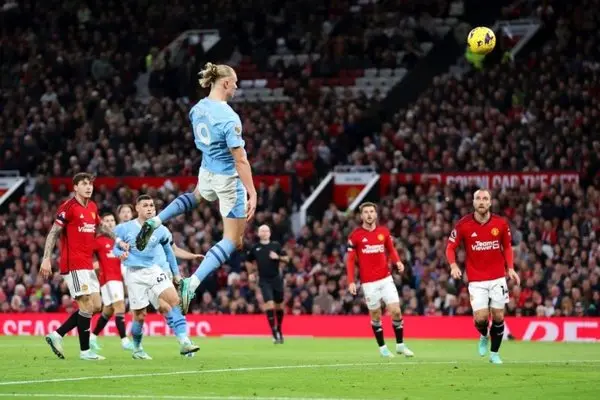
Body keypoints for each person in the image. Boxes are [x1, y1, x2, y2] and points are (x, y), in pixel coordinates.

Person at [135, 62, 257, 314]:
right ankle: (191, 283)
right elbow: (240, 160)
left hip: (206, 169)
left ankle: (156, 221)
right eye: (234, 83)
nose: (236, 87)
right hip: (227, 178)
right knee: (232, 240)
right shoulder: (229, 118)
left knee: (196, 196)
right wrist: (252, 192)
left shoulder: (197, 109)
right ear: (225, 83)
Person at [42, 173, 120, 360]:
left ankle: (57, 334)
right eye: (84, 184)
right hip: (73, 263)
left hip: (87, 264)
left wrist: (118, 240)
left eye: (90, 184)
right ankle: (85, 351)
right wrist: (46, 258)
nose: (89, 187)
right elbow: (53, 232)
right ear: (75, 187)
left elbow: (100, 227)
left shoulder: (92, 206)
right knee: (85, 304)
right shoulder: (68, 207)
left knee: (96, 306)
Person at [112, 195, 196, 359]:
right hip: (134, 274)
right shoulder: (125, 228)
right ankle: (137, 348)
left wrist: (176, 274)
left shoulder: (161, 229)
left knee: (175, 301)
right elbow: (114, 247)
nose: (150, 208)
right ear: (137, 208)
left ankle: (184, 341)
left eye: (152, 205)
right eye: (145, 205)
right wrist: (120, 253)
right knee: (140, 316)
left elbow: (169, 252)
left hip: (154, 270)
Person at [445, 189, 520, 364]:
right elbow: (450, 247)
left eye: (485, 198)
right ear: (473, 202)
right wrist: (453, 265)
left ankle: (494, 354)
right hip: (476, 279)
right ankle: (484, 335)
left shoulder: (500, 223)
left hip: (497, 277)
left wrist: (510, 268)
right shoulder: (463, 225)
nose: (481, 201)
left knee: (498, 316)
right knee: (480, 319)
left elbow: (507, 247)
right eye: (478, 198)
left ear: (490, 202)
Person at [346, 202, 415, 358]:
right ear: (361, 216)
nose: (369, 214)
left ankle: (400, 345)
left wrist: (398, 261)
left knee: (396, 311)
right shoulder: (355, 236)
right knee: (376, 315)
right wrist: (351, 281)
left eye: (372, 211)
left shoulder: (383, 232)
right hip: (369, 283)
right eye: (366, 212)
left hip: (386, 279)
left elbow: (391, 249)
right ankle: (383, 348)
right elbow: (350, 260)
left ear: (376, 214)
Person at [151, 228, 204, 356]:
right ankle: (184, 340)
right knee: (163, 309)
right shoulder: (132, 229)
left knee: (171, 304)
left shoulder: (162, 230)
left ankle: (184, 341)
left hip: (163, 271)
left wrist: (192, 256)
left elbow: (173, 250)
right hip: (144, 274)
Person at [89, 212, 133, 351]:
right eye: (106, 221)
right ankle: (125, 341)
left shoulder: (120, 241)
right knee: (120, 306)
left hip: (118, 279)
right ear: (102, 224)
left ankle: (92, 338)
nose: (110, 223)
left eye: (112, 220)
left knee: (108, 310)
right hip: (108, 279)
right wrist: (94, 265)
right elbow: (87, 255)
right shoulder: (98, 240)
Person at [246, 225, 288, 344]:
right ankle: (274, 332)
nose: (264, 233)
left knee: (279, 306)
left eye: (266, 231)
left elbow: (287, 259)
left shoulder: (276, 245)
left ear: (270, 233)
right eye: (262, 231)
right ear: (258, 233)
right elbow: (248, 261)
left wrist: (278, 257)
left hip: (276, 279)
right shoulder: (255, 248)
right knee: (269, 304)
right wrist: (251, 273)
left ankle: (279, 328)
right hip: (264, 280)